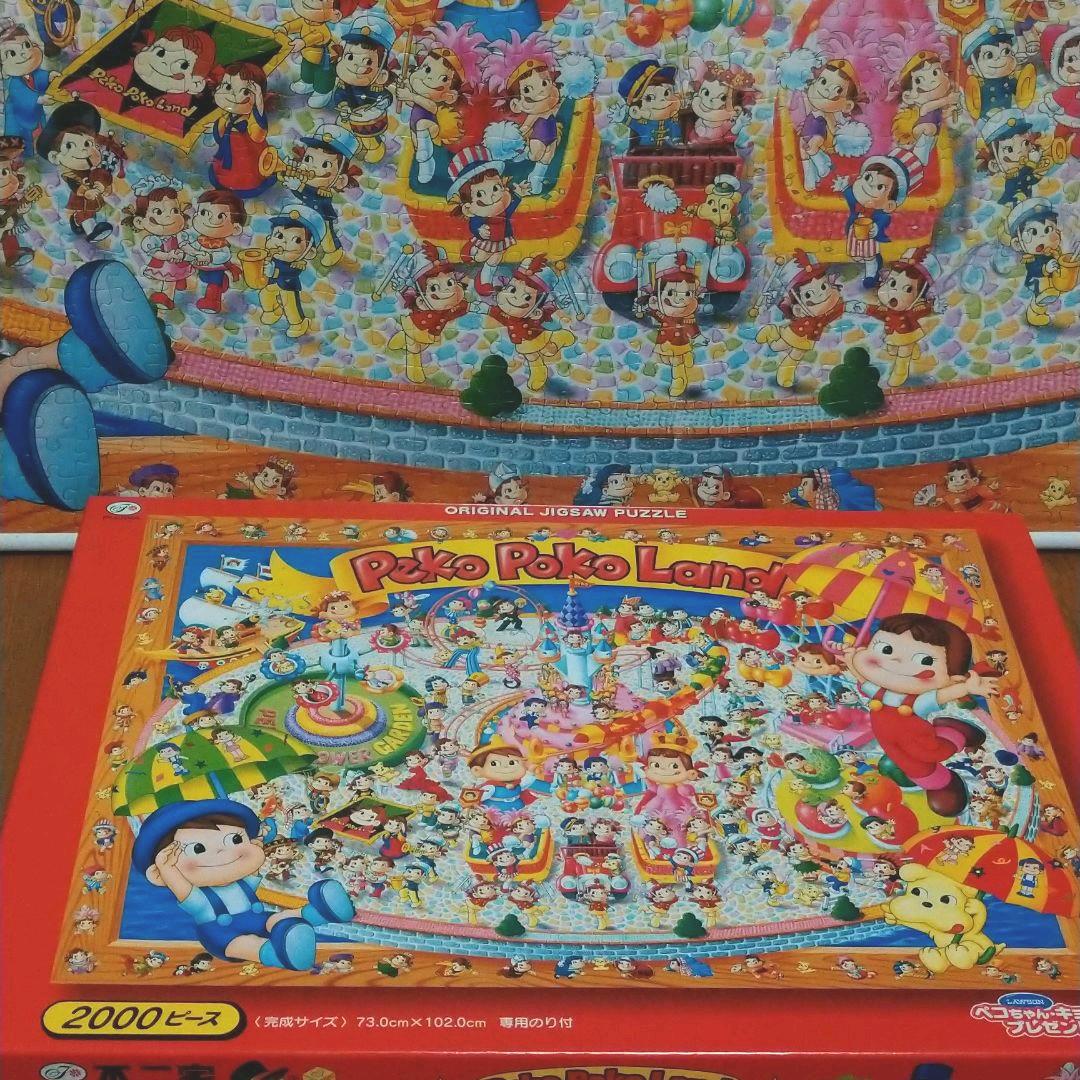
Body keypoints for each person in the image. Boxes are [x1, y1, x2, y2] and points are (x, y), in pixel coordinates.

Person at [133, 799, 355, 971]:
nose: (225, 852)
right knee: (245, 943)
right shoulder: (198, 898)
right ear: (159, 874)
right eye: (198, 849)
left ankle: (322, 912)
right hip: (221, 933)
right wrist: (168, 869)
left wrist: (254, 850)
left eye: (236, 840)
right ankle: (279, 954)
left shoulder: (241, 883)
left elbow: (251, 867)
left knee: (278, 918)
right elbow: (179, 886)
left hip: (257, 918)